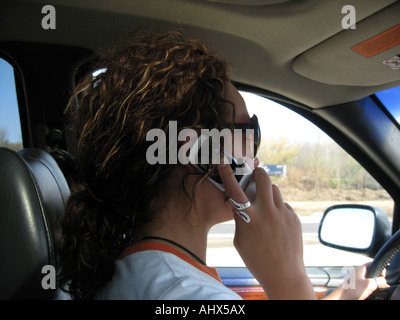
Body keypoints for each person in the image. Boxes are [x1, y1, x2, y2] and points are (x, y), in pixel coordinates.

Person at [58, 31, 387, 300]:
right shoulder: (188, 294)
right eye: (248, 133)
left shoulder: (135, 268)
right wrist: (287, 279)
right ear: (197, 151)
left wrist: (345, 291)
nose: (255, 155)